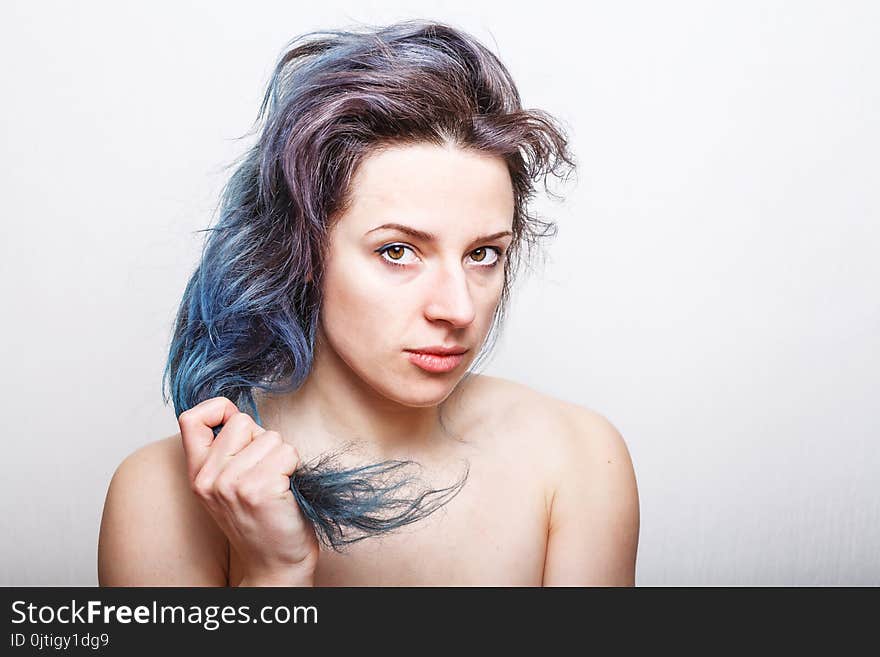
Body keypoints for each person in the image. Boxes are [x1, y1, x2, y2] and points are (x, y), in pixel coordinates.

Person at [97, 19, 639, 586]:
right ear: (302, 252)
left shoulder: (576, 459)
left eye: (483, 255)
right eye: (398, 251)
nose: (457, 310)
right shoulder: (160, 497)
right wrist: (274, 572)